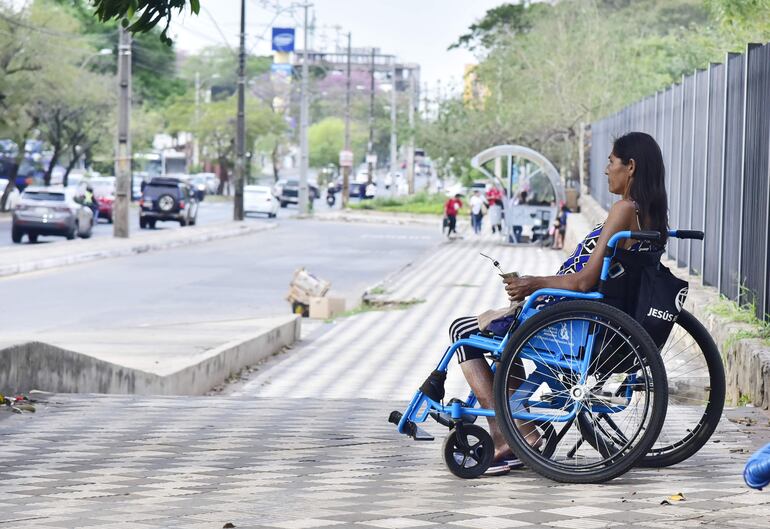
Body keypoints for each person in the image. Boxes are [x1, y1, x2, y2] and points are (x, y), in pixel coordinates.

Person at [448, 132, 669, 475]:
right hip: (584, 318)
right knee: (499, 339)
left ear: (631, 166)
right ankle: (520, 430)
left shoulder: (624, 209)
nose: (606, 170)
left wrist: (532, 284)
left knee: (462, 331)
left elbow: (583, 282)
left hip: (572, 321)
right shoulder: (650, 215)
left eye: (611, 162)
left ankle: (508, 435)